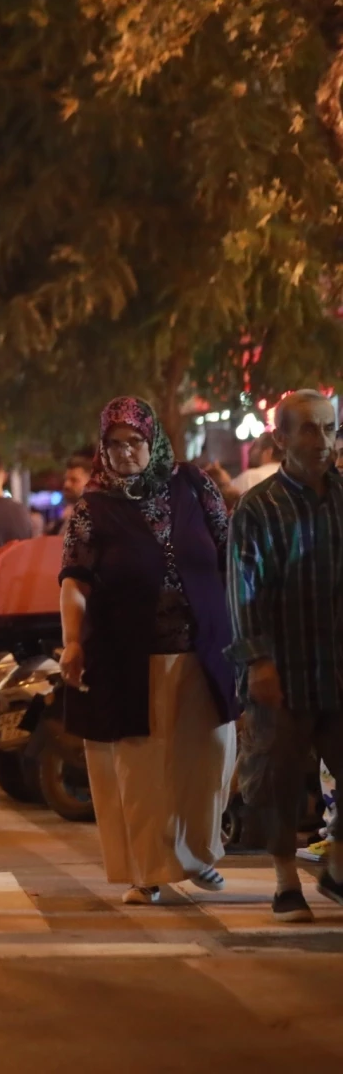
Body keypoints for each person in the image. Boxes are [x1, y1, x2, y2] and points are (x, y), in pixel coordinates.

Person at [59, 397, 237, 907]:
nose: (124, 453)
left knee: (211, 759)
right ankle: (148, 871)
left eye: (133, 441)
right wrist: (72, 640)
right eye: (113, 444)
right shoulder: (93, 507)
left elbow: (227, 555)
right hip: (128, 657)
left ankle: (198, 853)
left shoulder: (193, 485)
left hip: (203, 648)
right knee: (141, 772)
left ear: (152, 439)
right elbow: (74, 581)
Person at [228, 389, 343, 922]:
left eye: (329, 428)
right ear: (281, 438)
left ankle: (337, 868)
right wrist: (257, 660)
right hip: (284, 669)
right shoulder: (259, 507)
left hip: (338, 666)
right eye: (308, 429)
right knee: (276, 779)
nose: (322, 441)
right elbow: (243, 589)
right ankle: (284, 882)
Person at [228, 432, 281, 498]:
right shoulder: (290, 475)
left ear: (269, 452)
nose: (249, 451)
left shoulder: (250, 476)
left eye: (255, 446)